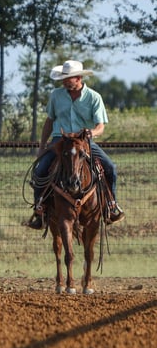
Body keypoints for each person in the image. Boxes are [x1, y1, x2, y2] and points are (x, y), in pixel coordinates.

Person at [26, 59, 124, 229]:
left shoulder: (94, 97)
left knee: (110, 168)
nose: (64, 81)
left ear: (78, 78)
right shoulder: (56, 95)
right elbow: (49, 122)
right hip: (59, 140)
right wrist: (42, 147)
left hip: (83, 141)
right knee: (40, 170)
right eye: (63, 78)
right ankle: (39, 210)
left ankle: (111, 205)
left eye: (68, 78)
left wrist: (91, 133)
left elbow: (101, 126)